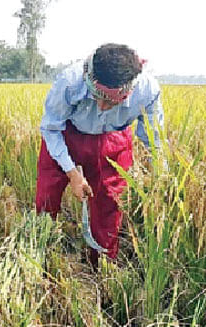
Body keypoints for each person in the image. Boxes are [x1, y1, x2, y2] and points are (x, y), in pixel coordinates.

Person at [35, 43, 164, 267]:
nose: (103, 107)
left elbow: (154, 141)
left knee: (109, 203)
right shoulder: (69, 82)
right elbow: (51, 128)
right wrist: (72, 172)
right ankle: (39, 252)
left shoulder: (148, 91)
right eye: (97, 96)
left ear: (129, 90)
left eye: (113, 101)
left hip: (112, 139)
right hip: (67, 133)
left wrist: (162, 178)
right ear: (89, 76)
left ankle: (102, 264)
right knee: (47, 196)